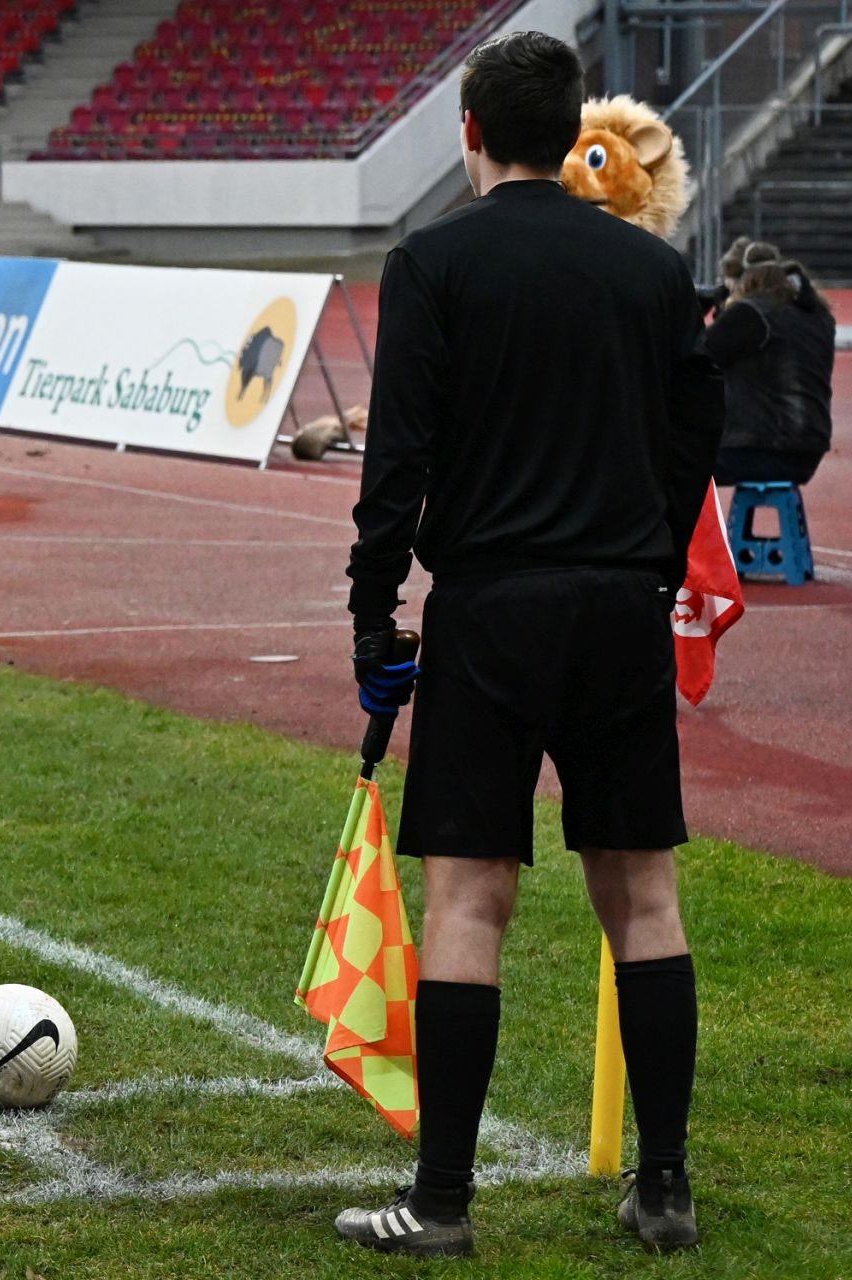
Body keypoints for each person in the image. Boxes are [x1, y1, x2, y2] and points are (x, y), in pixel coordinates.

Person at [337, 33, 724, 1256]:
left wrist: (371, 615)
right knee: (644, 894)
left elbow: (395, 466)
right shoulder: (652, 274)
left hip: (492, 609)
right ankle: (664, 1188)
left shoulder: (434, 261)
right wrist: (648, 572)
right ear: (571, 137)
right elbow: (684, 453)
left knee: (469, 898)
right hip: (617, 607)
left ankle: (442, 1200)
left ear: (467, 131)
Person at [703, 245, 836, 486]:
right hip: (806, 451)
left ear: (745, 283)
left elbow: (699, 356)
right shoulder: (819, 316)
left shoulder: (752, 313)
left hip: (758, 448)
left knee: (662, 460)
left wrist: (697, 310)